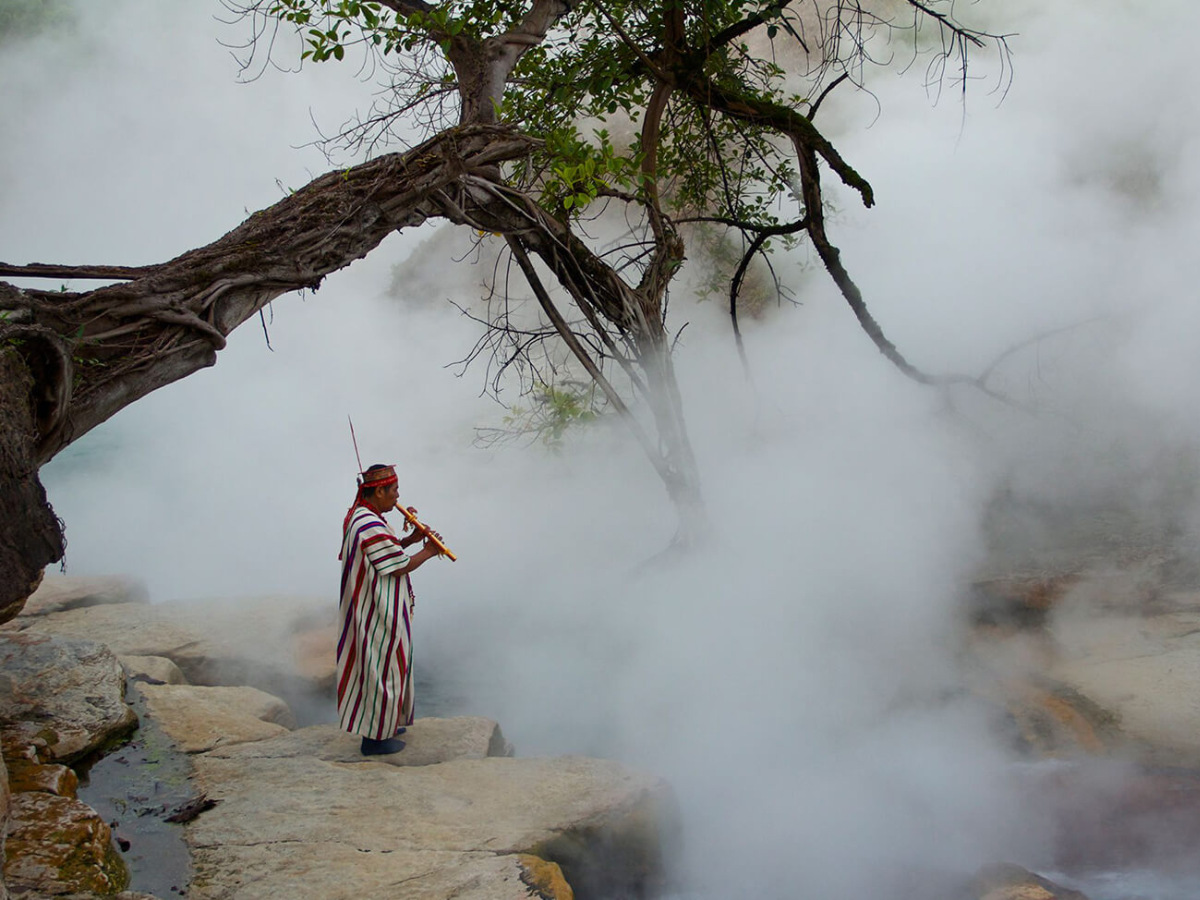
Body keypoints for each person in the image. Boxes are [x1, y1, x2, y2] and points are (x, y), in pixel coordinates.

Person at [338, 463, 441, 756]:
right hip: (375, 610)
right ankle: (374, 739)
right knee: (381, 667)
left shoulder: (366, 516)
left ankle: (386, 723)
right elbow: (398, 565)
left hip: (378, 605)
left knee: (389, 665)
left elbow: (389, 550)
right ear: (379, 490)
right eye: (393, 490)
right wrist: (429, 551)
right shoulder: (368, 523)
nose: (397, 497)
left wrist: (410, 540)